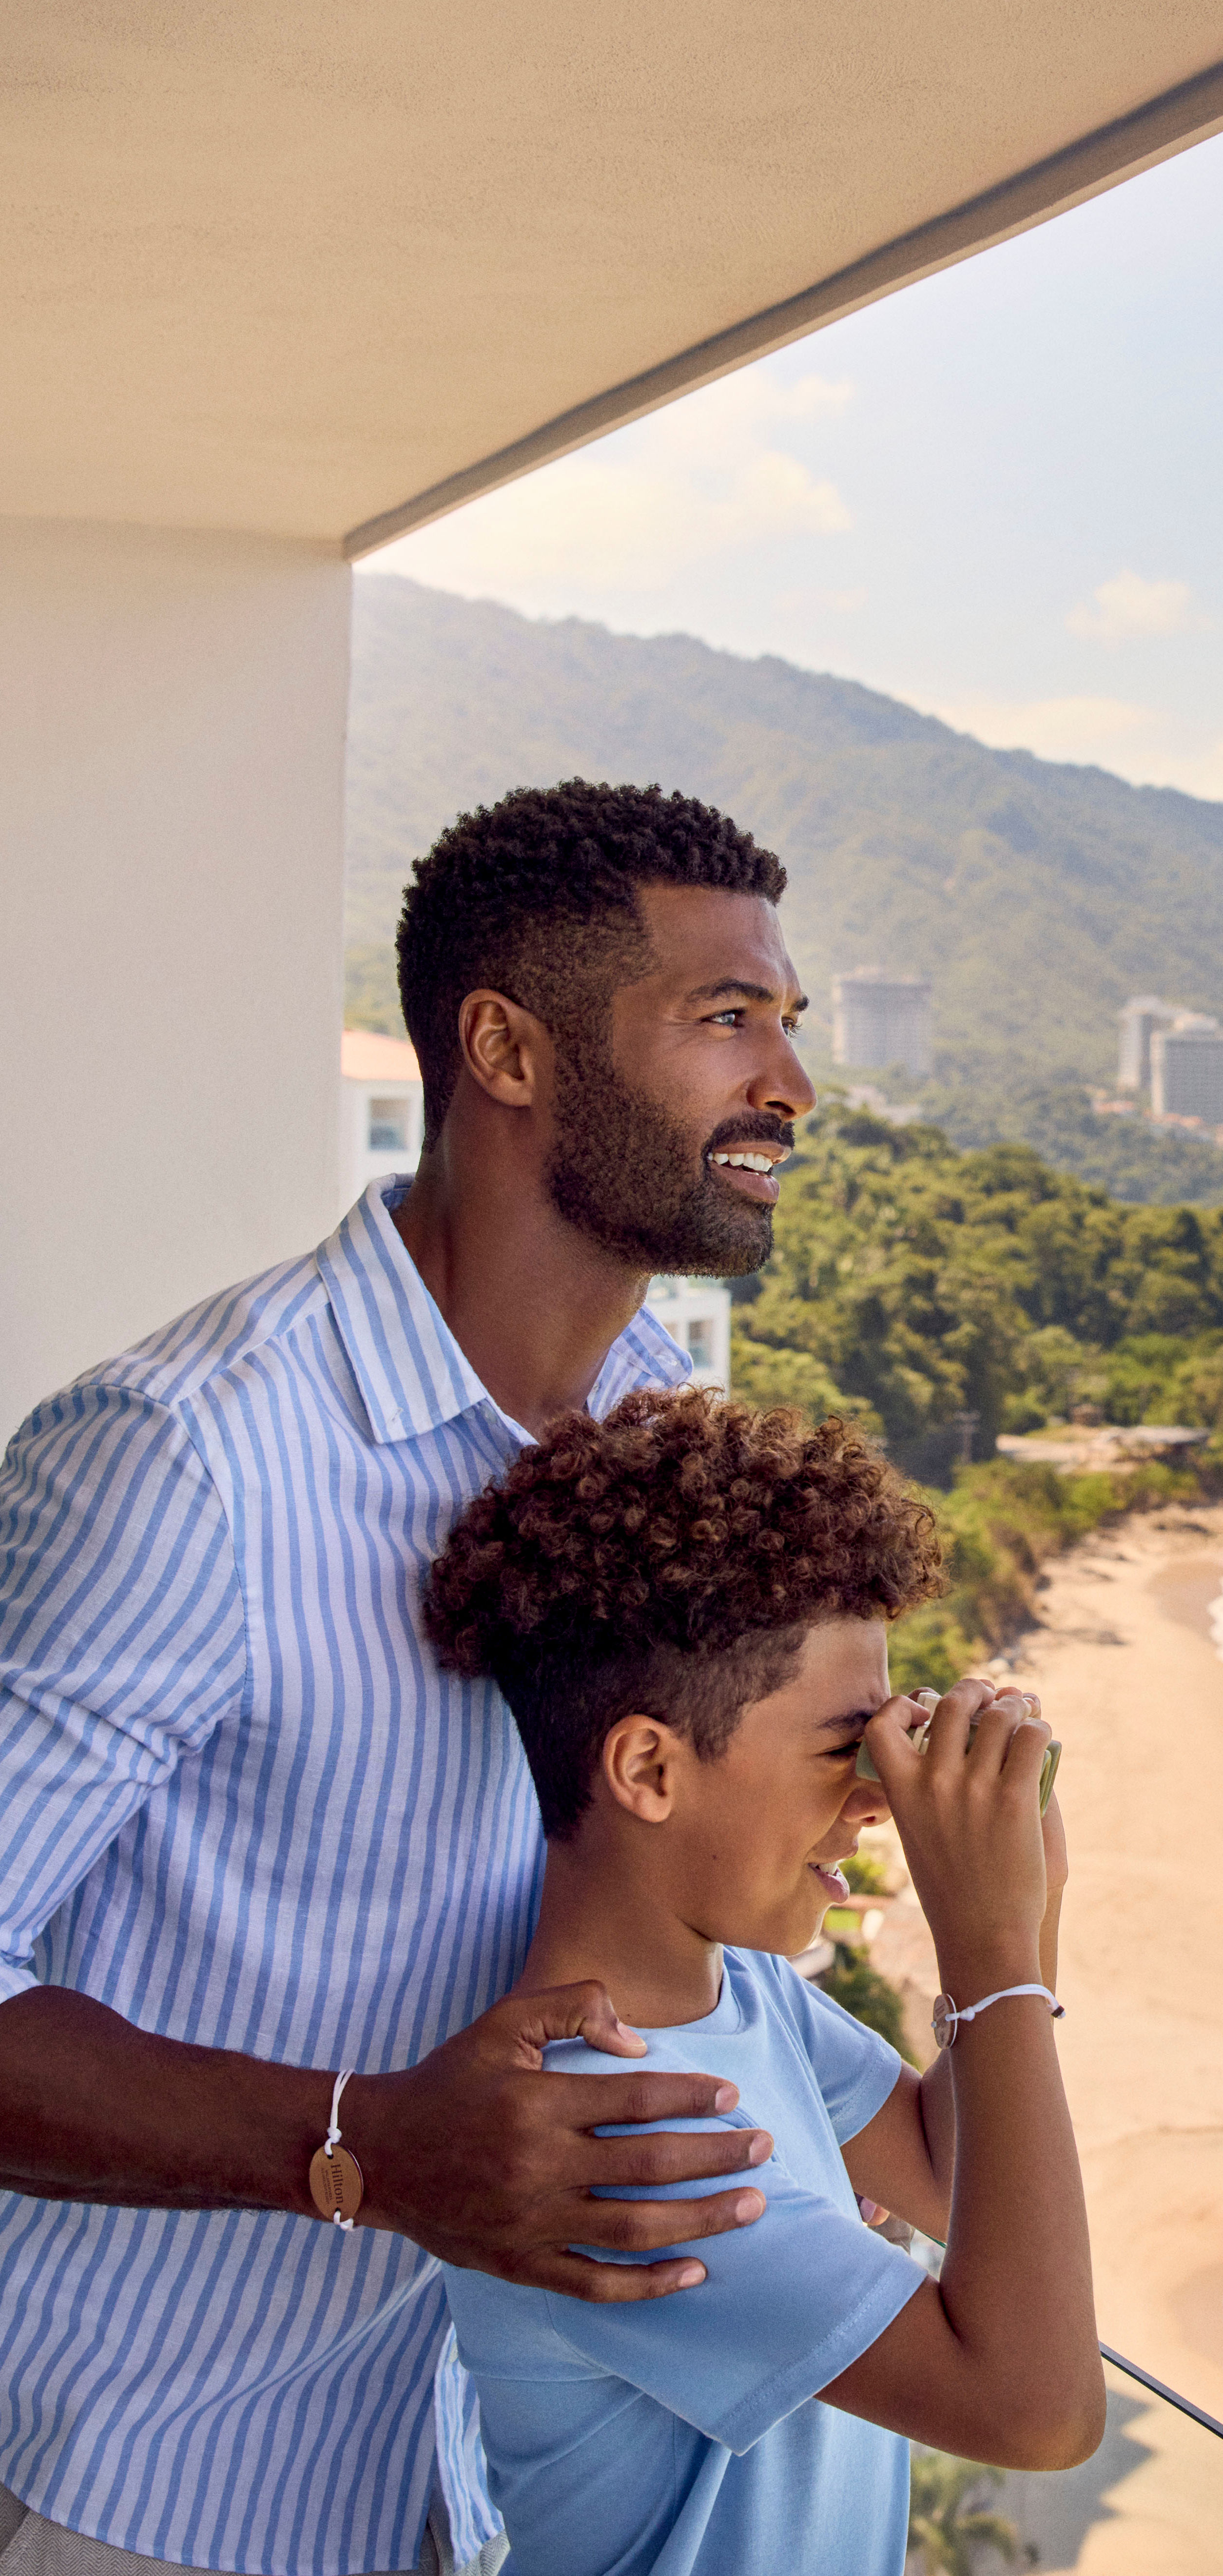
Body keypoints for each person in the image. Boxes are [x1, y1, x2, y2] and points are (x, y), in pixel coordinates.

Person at [0, 783, 820, 2575]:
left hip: (467, 2488)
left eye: (787, 1022)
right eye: (724, 1017)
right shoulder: (185, 1459)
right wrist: (359, 2141)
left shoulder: (656, 1426)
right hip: (140, 2497)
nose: (790, 1088)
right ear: (508, 1049)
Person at [423, 1387, 1102, 2576]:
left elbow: (950, 2173)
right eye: (847, 1750)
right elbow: (1037, 2410)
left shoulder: (738, 1991)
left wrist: (1022, 1912)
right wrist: (988, 1961)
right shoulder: (606, 2130)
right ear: (647, 1765)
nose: (877, 1797)